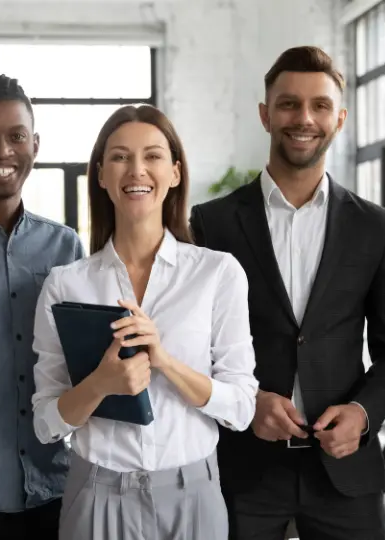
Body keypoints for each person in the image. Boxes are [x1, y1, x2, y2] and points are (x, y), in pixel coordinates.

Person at [190, 46, 385, 540]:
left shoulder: (374, 226)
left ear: (339, 118)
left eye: (319, 106)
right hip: (242, 470)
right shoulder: (212, 222)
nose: (304, 118)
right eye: (289, 104)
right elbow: (190, 345)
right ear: (265, 114)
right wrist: (247, 404)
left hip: (344, 470)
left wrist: (362, 414)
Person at [31, 103, 259, 540]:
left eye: (152, 155)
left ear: (174, 172)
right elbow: (46, 422)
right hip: (95, 496)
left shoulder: (217, 273)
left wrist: (165, 362)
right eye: (120, 156)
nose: (136, 169)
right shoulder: (65, 285)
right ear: (100, 174)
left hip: (193, 496)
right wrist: (101, 383)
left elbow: (242, 409)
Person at [0, 75, 85, 539]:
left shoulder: (65, 246)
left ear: (35, 144)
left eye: (15, 136)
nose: (2, 151)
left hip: (54, 492)